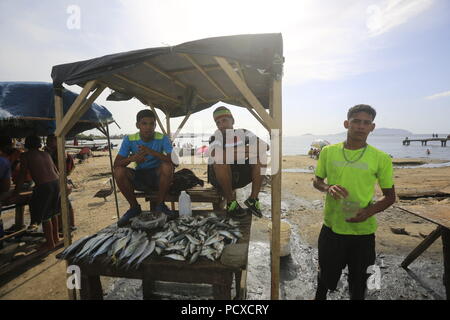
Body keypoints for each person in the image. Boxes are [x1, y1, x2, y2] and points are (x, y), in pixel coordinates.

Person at [313, 104, 396, 300]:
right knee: (326, 275)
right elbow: (317, 181)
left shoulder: (381, 158)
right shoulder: (328, 152)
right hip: (332, 228)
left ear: (372, 127)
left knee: (359, 282)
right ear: (346, 123)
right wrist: (328, 188)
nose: (360, 126)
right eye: (356, 121)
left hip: (363, 233)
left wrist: (368, 212)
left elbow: (390, 197)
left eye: (366, 123)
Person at [114, 109, 174, 227]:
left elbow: (174, 161)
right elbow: (116, 164)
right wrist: (132, 158)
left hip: (157, 177)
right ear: (138, 125)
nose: (148, 127)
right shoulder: (129, 139)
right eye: (144, 123)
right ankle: (134, 207)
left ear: (155, 125)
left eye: (152, 124)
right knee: (119, 171)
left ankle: (160, 205)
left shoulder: (162, 138)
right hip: (139, 176)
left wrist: (151, 152)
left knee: (167, 166)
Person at [208, 106, 268, 218]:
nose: (221, 125)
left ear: (233, 120)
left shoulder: (244, 133)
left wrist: (231, 152)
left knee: (262, 157)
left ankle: (253, 200)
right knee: (220, 161)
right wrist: (250, 151)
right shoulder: (215, 137)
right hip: (219, 179)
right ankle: (232, 203)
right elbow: (217, 155)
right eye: (218, 123)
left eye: (224, 120)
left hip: (239, 176)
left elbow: (265, 146)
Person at [12, 136, 61, 251]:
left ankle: (50, 243)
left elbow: (22, 174)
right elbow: (56, 171)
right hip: (56, 183)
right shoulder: (46, 154)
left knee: (45, 216)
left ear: (27, 144)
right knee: (54, 213)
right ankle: (56, 238)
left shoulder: (25, 155)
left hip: (44, 186)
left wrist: (16, 192)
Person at [44, 134, 76, 232]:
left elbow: (57, 168)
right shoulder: (51, 151)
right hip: (57, 180)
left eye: (50, 140)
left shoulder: (59, 152)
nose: (47, 142)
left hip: (59, 180)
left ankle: (67, 225)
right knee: (63, 203)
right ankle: (66, 225)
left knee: (62, 204)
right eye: (47, 140)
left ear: (56, 141)